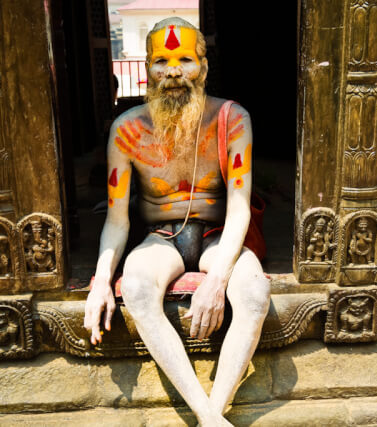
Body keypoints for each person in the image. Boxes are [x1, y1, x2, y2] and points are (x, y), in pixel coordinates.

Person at [83, 17, 270, 427]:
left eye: (185, 59)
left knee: (254, 292)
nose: (172, 72)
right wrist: (100, 281)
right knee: (133, 286)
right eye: (160, 61)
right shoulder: (126, 130)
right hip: (160, 238)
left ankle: (211, 414)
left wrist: (218, 281)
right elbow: (116, 220)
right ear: (146, 67)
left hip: (217, 234)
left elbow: (239, 208)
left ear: (203, 67)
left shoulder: (233, 119)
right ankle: (209, 416)